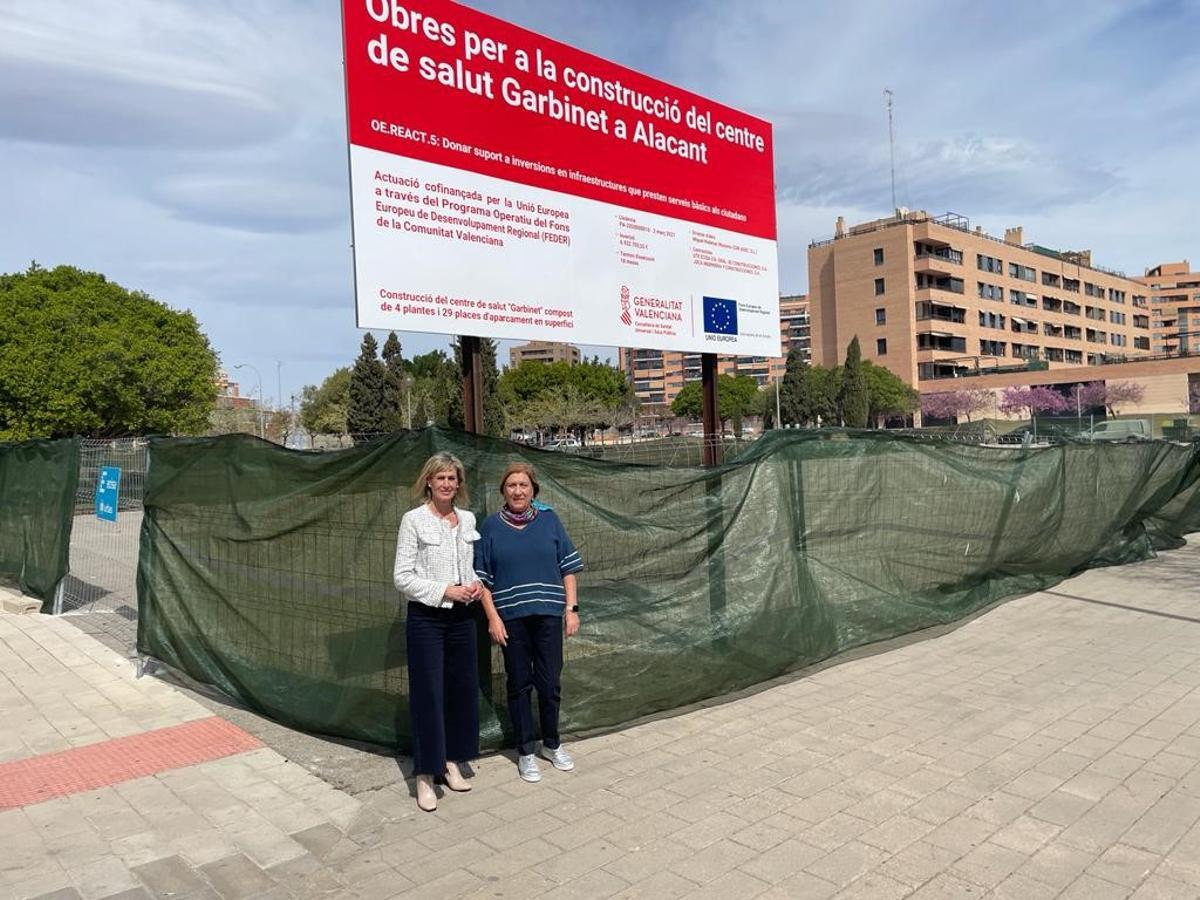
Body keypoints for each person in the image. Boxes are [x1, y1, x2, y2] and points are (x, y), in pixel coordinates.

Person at [475, 461, 584, 783]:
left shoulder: (550, 521)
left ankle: (552, 744)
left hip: (549, 616)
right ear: (503, 491)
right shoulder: (491, 527)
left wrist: (571, 609)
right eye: (512, 486)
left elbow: (568, 567)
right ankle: (525, 751)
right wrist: (493, 618)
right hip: (511, 620)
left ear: (533, 490)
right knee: (519, 684)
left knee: (549, 684)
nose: (518, 491)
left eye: (523, 485)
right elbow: (482, 580)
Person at [393, 452, 482, 812]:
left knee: (460, 692)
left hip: (462, 618)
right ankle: (425, 775)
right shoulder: (413, 521)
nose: (447, 484)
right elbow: (402, 577)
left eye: (453, 478)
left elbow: (470, 569)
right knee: (429, 695)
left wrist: (473, 585)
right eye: (441, 477)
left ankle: (450, 762)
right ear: (428, 481)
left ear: (459, 484)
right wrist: (445, 590)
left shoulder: (467, 519)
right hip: (427, 619)